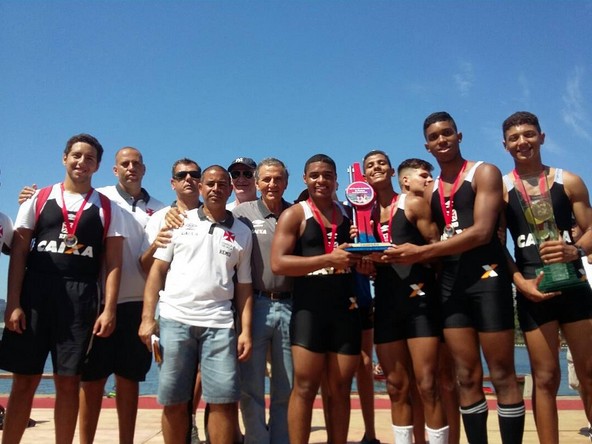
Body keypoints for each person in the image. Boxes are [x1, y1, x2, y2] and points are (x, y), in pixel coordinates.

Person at [387, 112, 525, 444]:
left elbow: (481, 232)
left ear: (459, 136)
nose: (442, 140)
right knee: (466, 377)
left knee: (503, 374)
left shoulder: (484, 172)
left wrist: (421, 253)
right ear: (427, 146)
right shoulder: (429, 191)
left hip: (488, 279)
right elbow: (411, 231)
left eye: (447, 133)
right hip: (450, 285)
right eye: (434, 137)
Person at [0, 134, 125, 444]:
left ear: (97, 166)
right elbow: (19, 253)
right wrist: (13, 302)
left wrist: (109, 309)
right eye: (77, 155)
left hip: (80, 298)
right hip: (35, 295)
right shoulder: (39, 198)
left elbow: (113, 264)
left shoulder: (108, 208)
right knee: (24, 381)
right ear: (64, 158)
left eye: (90, 158)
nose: (82, 162)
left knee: (68, 383)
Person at [138, 165, 253, 444]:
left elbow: (244, 286)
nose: (216, 189)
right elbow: (157, 271)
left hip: (219, 323)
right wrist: (147, 318)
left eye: (222, 184)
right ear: (201, 188)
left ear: (230, 189)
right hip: (175, 320)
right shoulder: (178, 221)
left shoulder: (242, 232)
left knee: (223, 401)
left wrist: (246, 331)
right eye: (210, 184)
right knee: (175, 400)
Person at [501, 111, 592, 444]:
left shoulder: (569, 181)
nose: (522, 142)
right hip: (534, 289)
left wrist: (575, 250)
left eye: (528, 134)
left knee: (589, 372)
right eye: (514, 138)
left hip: (574, 285)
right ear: (505, 145)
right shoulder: (501, 188)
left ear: (542, 137)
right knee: (545, 377)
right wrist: (520, 283)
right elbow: (496, 245)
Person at [271, 154, 362, 444]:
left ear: (336, 179)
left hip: (345, 308)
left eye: (327, 175)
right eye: (314, 175)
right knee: (305, 388)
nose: (321, 180)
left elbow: (359, 257)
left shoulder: (350, 214)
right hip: (309, 310)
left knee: (340, 388)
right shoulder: (295, 215)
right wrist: (328, 259)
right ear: (305, 179)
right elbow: (278, 263)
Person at [76, 146, 165, 444]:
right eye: (124, 164)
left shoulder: (160, 209)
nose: (131, 168)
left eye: (136, 163)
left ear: (144, 169)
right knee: (92, 381)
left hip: (139, 306)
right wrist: (29, 197)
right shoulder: (98, 198)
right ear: (115, 170)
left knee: (129, 381)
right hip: (99, 304)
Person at [363, 152, 448, 444]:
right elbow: (368, 262)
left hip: (420, 302)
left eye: (381, 163)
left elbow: (438, 250)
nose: (376, 167)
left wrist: (415, 254)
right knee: (396, 387)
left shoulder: (411, 203)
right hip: (387, 304)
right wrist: (366, 264)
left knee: (427, 385)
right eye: (370, 165)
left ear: (391, 172)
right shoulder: (363, 217)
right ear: (364, 176)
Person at [140, 158, 204, 444]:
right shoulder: (159, 217)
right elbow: (145, 266)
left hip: (208, 312)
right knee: (174, 381)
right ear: (173, 183)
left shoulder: (214, 213)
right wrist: (159, 240)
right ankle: (181, 427)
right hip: (172, 311)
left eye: (194, 174)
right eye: (182, 175)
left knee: (202, 375)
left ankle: (191, 421)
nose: (188, 179)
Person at [232, 158, 293, 444]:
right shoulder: (241, 214)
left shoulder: (296, 212)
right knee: (251, 385)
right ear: (257, 183)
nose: (272, 184)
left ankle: (280, 439)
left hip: (291, 305)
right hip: (254, 305)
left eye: (277, 179)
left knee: (286, 385)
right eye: (266, 179)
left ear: (286, 182)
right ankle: (256, 439)